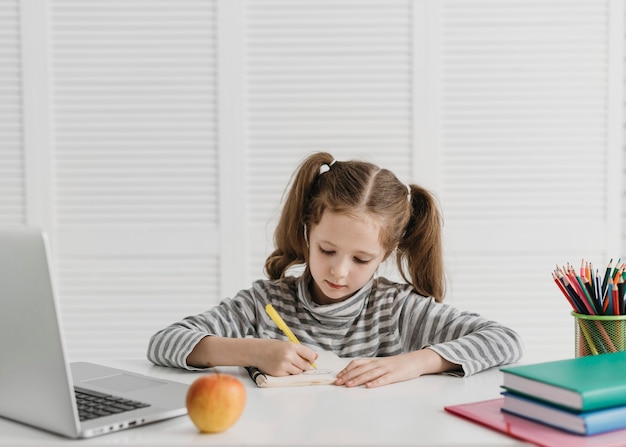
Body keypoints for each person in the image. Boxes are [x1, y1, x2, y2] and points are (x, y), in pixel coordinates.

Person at [147, 152, 523, 388]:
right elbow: (163, 343)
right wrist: (253, 351)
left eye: (361, 260)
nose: (339, 271)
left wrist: (415, 362)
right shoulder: (264, 303)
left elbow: (504, 340)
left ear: (386, 253)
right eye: (327, 250)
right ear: (309, 231)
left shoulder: (395, 309)